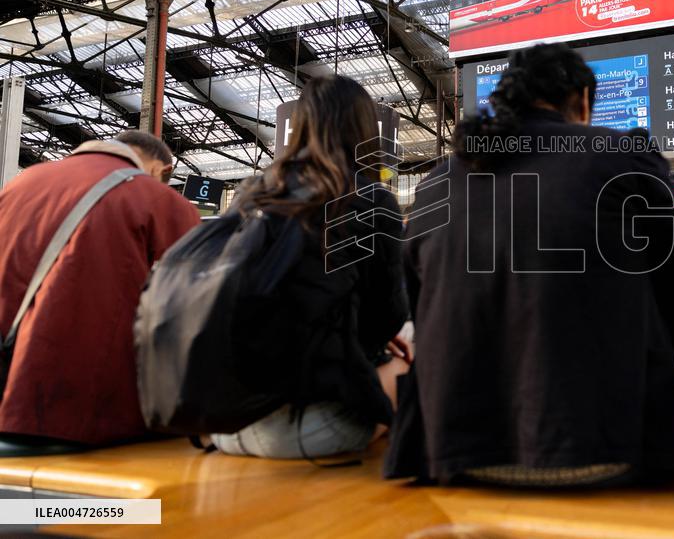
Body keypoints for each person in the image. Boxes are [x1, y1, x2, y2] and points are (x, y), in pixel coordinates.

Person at [385, 43, 674, 487]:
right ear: (582, 100)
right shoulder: (626, 158)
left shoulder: (437, 182)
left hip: (455, 457)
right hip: (607, 451)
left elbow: (419, 309)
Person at [210, 75, 411, 460]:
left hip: (226, 423)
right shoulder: (369, 198)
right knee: (409, 368)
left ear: (300, 126)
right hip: (310, 431)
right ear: (364, 130)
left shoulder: (250, 193)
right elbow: (388, 315)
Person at [0, 131, 199, 445]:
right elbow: (196, 301)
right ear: (162, 169)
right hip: (83, 408)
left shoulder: (22, 182)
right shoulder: (159, 199)